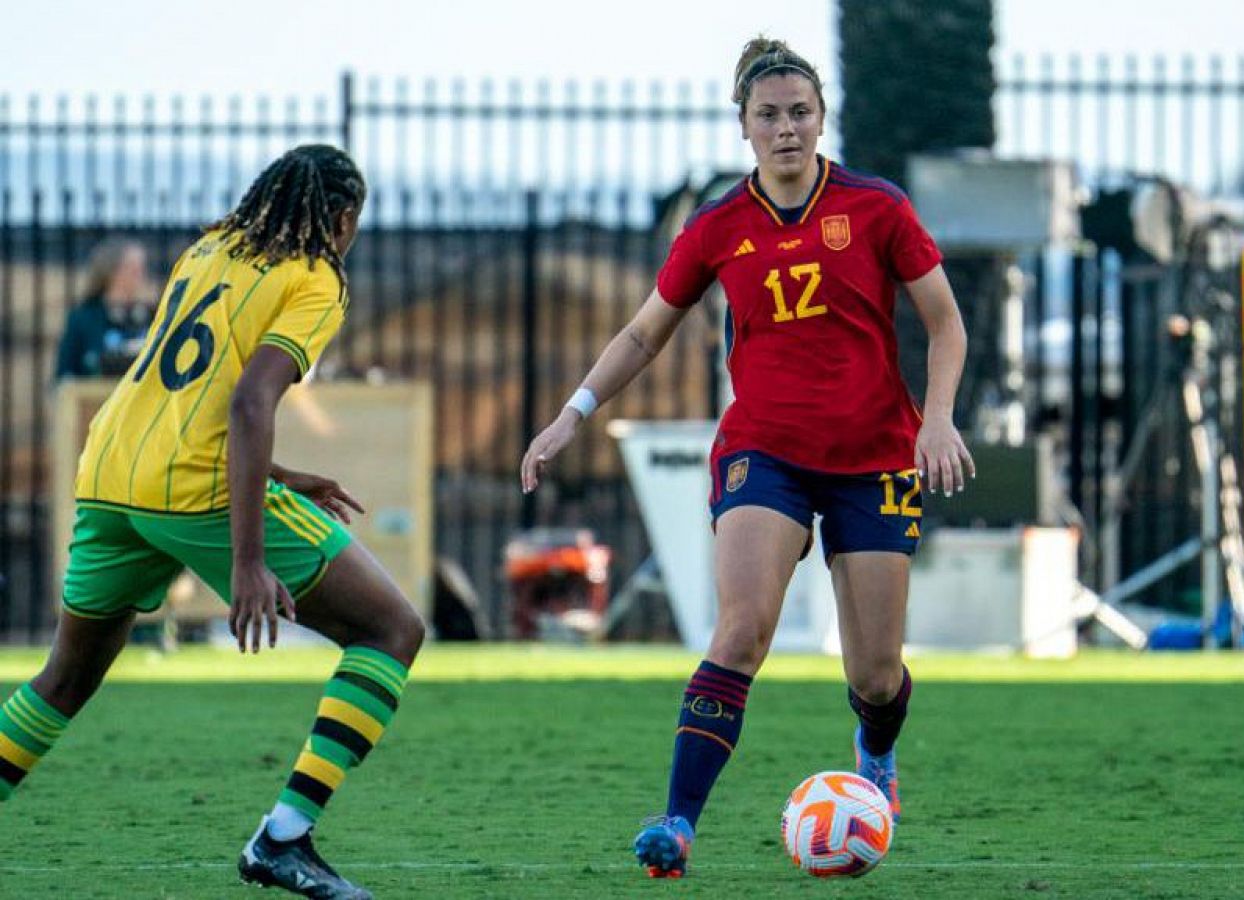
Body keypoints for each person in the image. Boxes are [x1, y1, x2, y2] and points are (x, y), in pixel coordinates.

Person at [520, 37, 974, 879]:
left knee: (876, 675)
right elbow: (642, 332)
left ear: (821, 118)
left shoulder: (877, 208)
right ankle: (678, 823)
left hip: (874, 456)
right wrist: (570, 416)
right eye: (769, 115)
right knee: (740, 633)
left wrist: (936, 419)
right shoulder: (719, 227)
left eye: (800, 112)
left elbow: (945, 323)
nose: (787, 129)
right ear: (744, 126)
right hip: (763, 452)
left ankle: (874, 754)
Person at [0, 144, 423, 900]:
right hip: (193, 489)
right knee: (392, 630)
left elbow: (185, 393)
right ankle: (283, 839)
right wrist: (248, 561)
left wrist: (285, 476)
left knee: (63, 680)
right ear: (344, 216)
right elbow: (247, 402)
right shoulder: (316, 277)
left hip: (110, 473)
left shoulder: (210, 248)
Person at [54, 239, 155, 380]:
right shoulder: (84, 318)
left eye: (142, 268)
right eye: (133, 268)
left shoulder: (152, 316)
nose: (141, 275)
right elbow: (63, 375)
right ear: (111, 271)